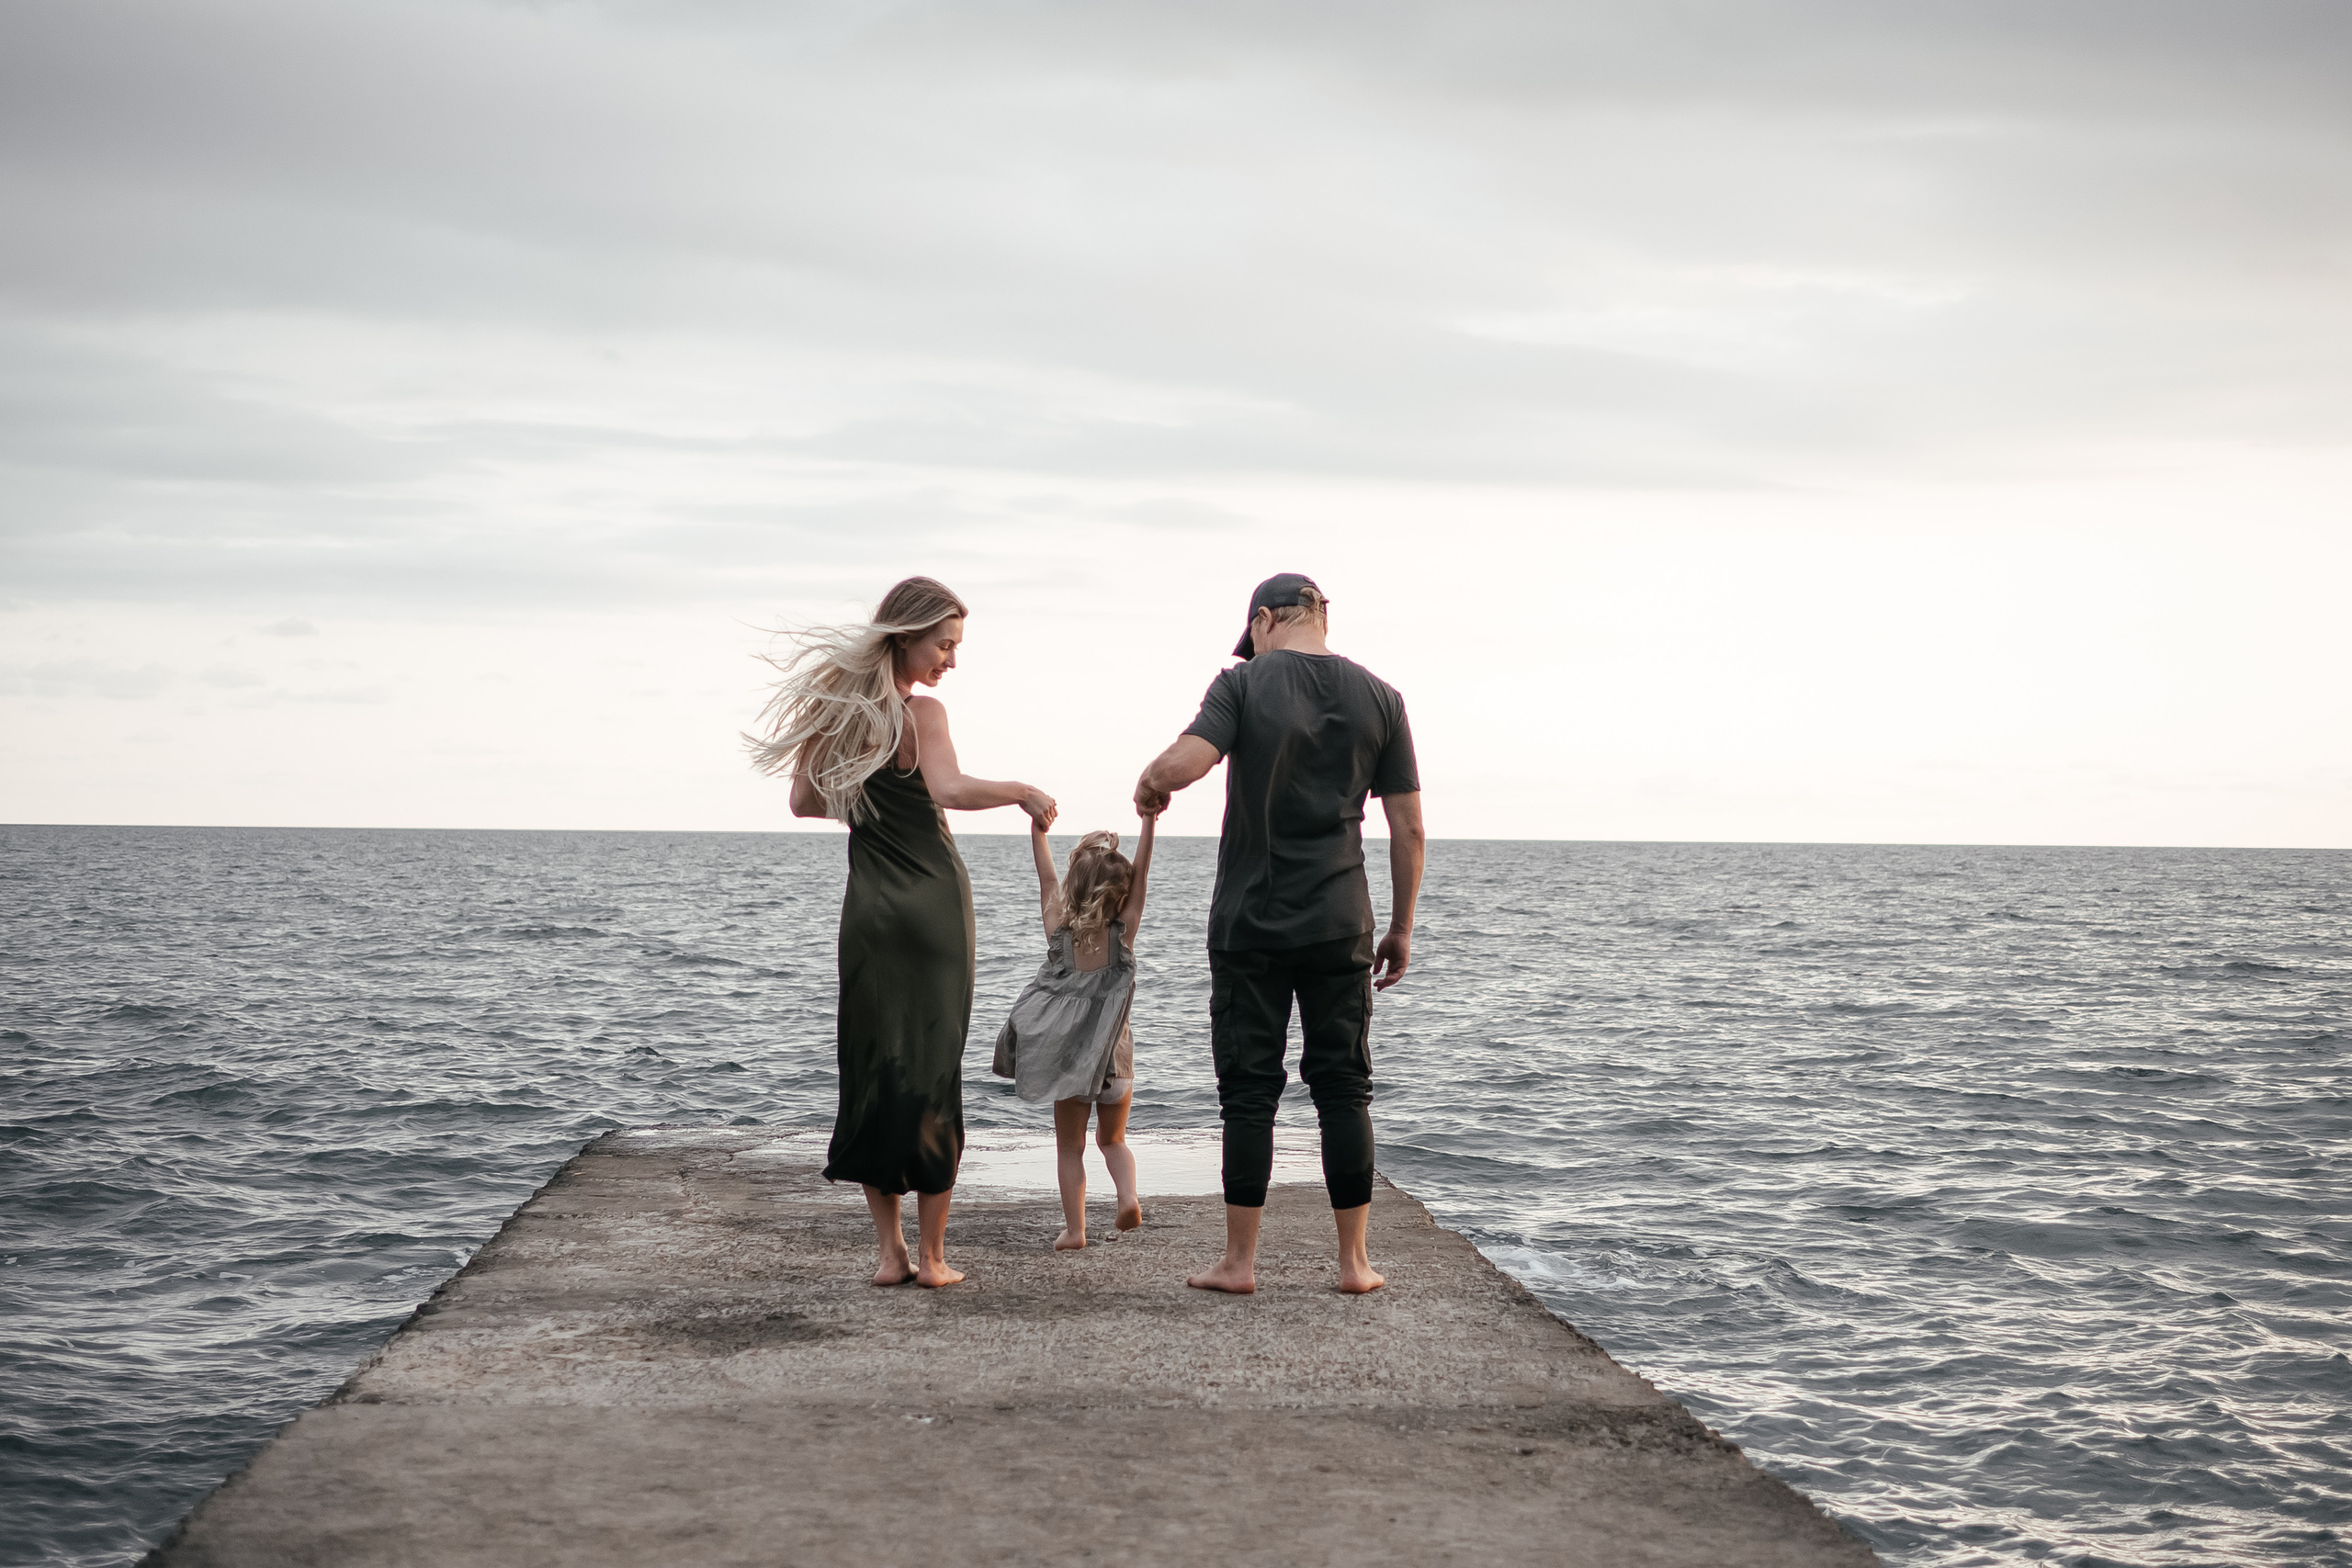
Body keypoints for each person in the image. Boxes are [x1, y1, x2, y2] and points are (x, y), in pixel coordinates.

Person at [747, 576, 1057, 1288]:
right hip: (934, 908)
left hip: (868, 911)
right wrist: (1021, 790)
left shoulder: (837, 715)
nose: (950, 658)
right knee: (932, 1069)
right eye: (944, 643)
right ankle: (936, 1257)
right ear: (907, 636)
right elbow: (948, 790)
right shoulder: (924, 714)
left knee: (874, 1066)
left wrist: (870, 802)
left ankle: (890, 1255)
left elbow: (801, 801)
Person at [1134, 573, 1423, 1296]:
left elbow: (1187, 764)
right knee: (1344, 1087)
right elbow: (1408, 828)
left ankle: (1239, 1263)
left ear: (1264, 620)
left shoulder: (1244, 684)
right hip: (1340, 921)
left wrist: (1152, 778)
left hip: (1250, 923)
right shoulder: (1382, 698)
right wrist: (1400, 926)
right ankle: (1354, 1264)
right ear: (1324, 616)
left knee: (1249, 1093)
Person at [992, 813, 1159, 1250]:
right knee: (1114, 1140)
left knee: (1070, 1148)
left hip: (1070, 1065)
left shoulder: (1059, 937)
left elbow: (1045, 879)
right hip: (1116, 1062)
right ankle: (1127, 1196)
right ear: (1119, 893)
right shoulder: (1124, 934)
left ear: (1075, 885)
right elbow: (1141, 875)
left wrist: (1037, 831)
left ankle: (1076, 1230)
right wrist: (1150, 822)